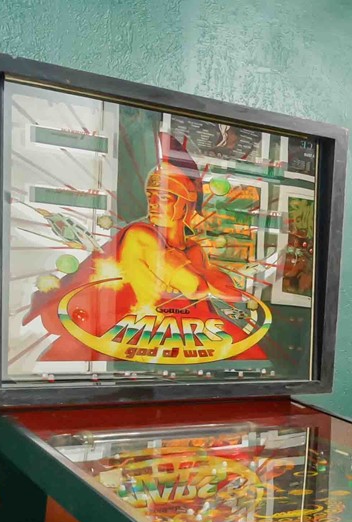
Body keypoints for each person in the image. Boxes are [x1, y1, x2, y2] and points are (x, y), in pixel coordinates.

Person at [26, 135, 266, 363]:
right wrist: (205, 278)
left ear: (185, 203)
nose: (152, 203)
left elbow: (230, 293)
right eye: (150, 196)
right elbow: (194, 286)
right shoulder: (140, 235)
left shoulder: (192, 249)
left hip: (171, 337)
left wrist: (204, 277)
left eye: (163, 197)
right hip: (123, 335)